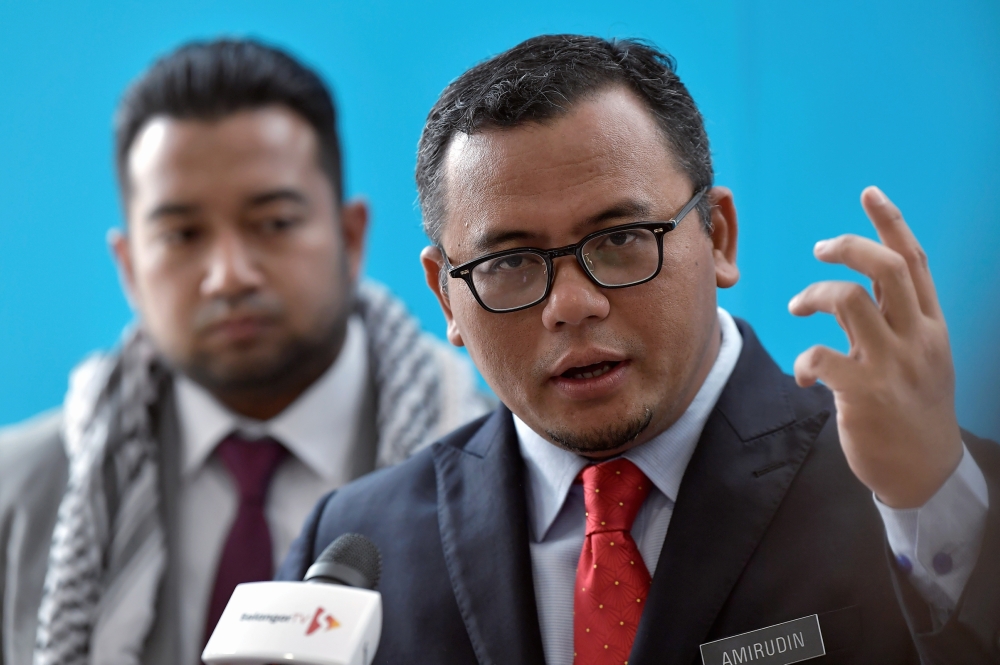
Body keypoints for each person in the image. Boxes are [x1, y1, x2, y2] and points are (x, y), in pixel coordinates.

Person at [279, 35, 1000, 664]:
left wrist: (933, 500)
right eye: (510, 262)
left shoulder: (920, 489)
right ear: (446, 298)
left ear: (718, 237)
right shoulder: (354, 550)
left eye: (621, 239)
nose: (571, 304)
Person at [0, 39, 492, 665]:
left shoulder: (502, 474)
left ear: (350, 237)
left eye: (274, 222)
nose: (229, 275)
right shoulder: (17, 497)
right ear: (128, 267)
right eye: (182, 234)